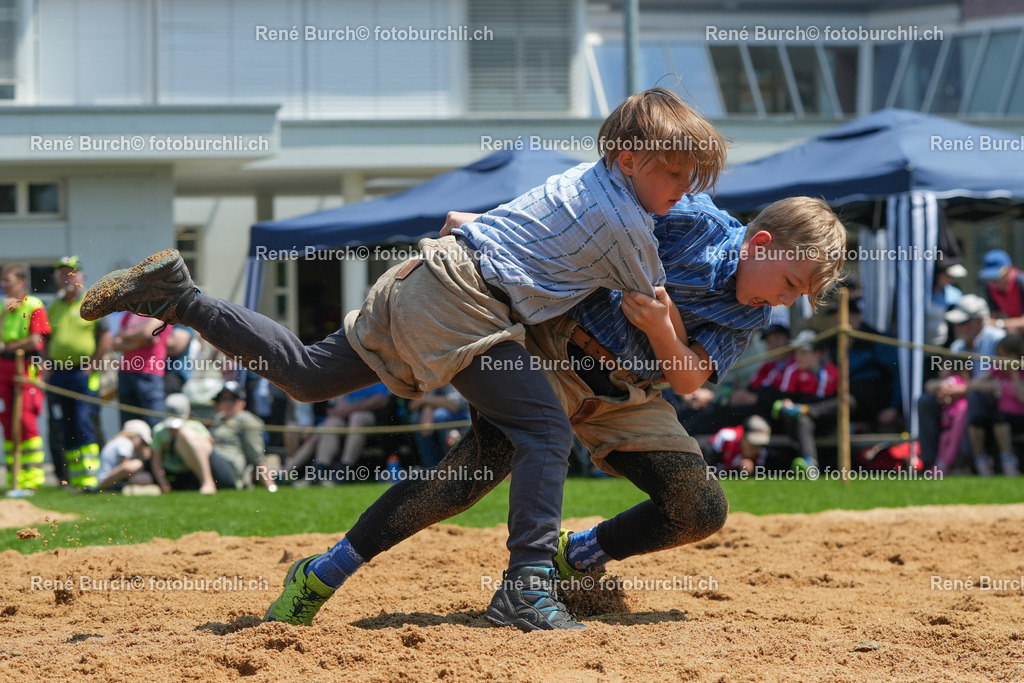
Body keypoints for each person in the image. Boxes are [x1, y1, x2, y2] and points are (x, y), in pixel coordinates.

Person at [80, 88, 728, 630]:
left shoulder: (576, 182)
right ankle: (527, 586)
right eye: (675, 173)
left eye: (691, 179)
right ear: (627, 156)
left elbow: (478, 224)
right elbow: (653, 303)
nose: (683, 188)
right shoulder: (627, 224)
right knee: (544, 430)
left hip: (429, 274)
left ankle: (179, 296)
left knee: (308, 375)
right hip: (467, 300)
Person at [252, 193, 842, 630]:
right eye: (789, 282)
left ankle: (575, 555)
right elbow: (579, 212)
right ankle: (324, 571)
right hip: (552, 355)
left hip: (631, 392)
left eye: (798, 296)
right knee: (465, 479)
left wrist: (662, 328)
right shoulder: (687, 218)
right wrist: (491, 228)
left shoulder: (752, 311)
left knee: (701, 508)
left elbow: (689, 380)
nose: (786, 301)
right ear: (761, 244)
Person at [45, 256, 112, 490]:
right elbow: (47, 340)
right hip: (59, 375)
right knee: (66, 425)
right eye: (62, 273)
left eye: (71, 273)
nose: (67, 278)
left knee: (84, 422)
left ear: (81, 277)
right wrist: (46, 366)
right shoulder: (54, 306)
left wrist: (91, 365)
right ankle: (74, 478)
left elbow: (105, 336)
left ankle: (92, 477)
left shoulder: (90, 302)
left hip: (83, 374)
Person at [918, 294, 1006, 472]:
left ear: (980, 321)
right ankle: (928, 462)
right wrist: (944, 389)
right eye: (957, 323)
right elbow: (946, 377)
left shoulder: (997, 339)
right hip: (963, 398)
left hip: (995, 400)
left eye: (963, 322)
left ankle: (964, 463)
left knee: (971, 402)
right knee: (926, 401)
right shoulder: (958, 346)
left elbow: (997, 380)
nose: (957, 327)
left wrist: (962, 389)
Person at [0, 263, 51, 490]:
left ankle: (32, 480)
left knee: (25, 419)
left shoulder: (34, 305)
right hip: (4, 368)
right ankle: (15, 479)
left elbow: (35, 341)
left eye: (7, 281)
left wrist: (8, 346)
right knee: (9, 420)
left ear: (20, 282)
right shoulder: (3, 306)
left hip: (26, 365)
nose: (3, 285)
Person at [283, 383, 392, 485]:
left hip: (373, 417)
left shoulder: (378, 370)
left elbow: (382, 399)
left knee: (357, 418)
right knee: (331, 422)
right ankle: (319, 470)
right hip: (344, 416)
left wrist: (349, 409)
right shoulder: (349, 370)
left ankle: (344, 470)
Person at [771, 330, 840, 471]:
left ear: (817, 354)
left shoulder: (833, 372)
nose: (798, 357)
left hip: (825, 421)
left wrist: (808, 409)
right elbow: (784, 399)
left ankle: (806, 410)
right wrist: (786, 405)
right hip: (799, 423)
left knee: (847, 401)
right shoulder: (792, 371)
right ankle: (811, 464)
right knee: (803, 419)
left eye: (803, 353)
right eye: (797, 352)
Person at [150, 392, 236, 493]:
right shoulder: (159, 431)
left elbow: (208, 448)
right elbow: (156, 460)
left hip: (198, 471)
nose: (173, 430)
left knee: (185, 434)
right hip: (177, 475)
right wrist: (162, 482)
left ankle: (207, 482)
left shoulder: (195, 426)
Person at [965, 333, 1024, 477]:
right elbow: (972, 385)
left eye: (1006, 355)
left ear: (1017, 355)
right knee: (978, 420)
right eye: (999, 355)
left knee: (1000, 420)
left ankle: (1008, 460)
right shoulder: (997, 371)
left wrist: (1015, 376)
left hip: (1019, 417)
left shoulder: (1021, 373)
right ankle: (981, 460)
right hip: (1000, 415)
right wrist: (990, 386)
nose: (1002, 360)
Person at [210, 381, 276, 490]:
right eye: (224, 399)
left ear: (242, 402)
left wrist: (270, 485)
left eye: (233, 399)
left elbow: (255, 453)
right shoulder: (218, 419)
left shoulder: (246, 419)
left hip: (230, 468)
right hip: (213, 463)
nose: (228, 403)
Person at [111, 311, 171, 427]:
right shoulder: (129, 313)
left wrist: (125, 336)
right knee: (129, 428)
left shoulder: (160, 309)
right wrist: (140, 341)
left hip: (149, 374)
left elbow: (147, 333)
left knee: (155, 426)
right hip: (125, 373)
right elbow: (115, 344)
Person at [408, 385, 470, 469]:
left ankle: (450, 465)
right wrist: (428, 407)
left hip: (465, 417)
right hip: (436, 415)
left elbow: (454, 405)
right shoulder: (427, 377)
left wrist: (426, 404)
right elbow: (412, 405)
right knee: (415, 419)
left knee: (439, 416)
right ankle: (430, 469)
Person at [96, 419, 153, 491]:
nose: (142, 446)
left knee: (144, 476)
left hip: (105, 478)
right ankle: (120, 486)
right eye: (142, 442)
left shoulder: (118, 441)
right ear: (135, 436)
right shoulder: (125, 442)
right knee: (137, 465)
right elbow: (125, 466)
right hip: (104, 481)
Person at [705, 415, 772, 474]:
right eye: (753, 443)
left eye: (759, 444)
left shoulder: (762, 452)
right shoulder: (726, 437)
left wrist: (752, 469)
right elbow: (708, 465)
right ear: (743, 436)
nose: (756, 448)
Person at [980, 249, 1024, 321]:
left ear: (1009, 269)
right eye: (989, 277)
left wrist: (1001, 324)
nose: (992, 281)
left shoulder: (1021, 282)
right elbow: (994, 316)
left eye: (996, 276)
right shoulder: (990, 288)